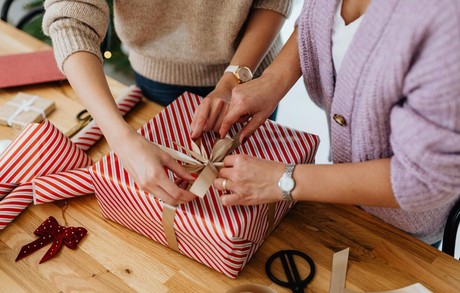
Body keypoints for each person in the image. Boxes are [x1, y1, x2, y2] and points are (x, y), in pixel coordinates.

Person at [191, 0, 460, 246]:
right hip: (339, 204)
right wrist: (273, 80)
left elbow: (422, 178)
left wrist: (283, 180)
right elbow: (318, 19)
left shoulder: (447, 21)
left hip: (404, 232)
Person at [42, 0, 292, 205]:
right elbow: (70, 19)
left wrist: (234, 78)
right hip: (157, 78)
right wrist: (121, 139)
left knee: (253, 195)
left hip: (251, 73)